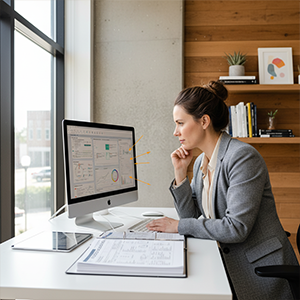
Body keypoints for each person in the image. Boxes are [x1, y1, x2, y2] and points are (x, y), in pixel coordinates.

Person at [147, 81, 299, 300]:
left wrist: (177, 226)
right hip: (223, 260)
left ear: (204, 121)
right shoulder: (201, 161)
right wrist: (181, 173)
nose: (175, 132)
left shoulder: (242, 157)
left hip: (258, 270)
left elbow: (236, 228)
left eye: (180, 123)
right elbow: (191, 218)